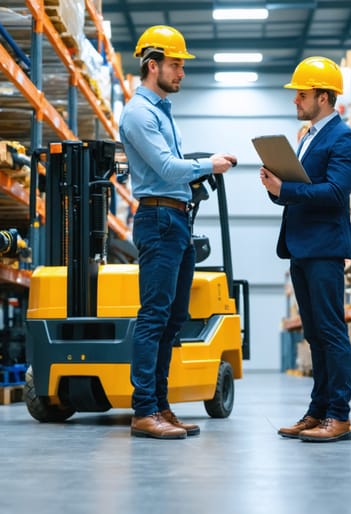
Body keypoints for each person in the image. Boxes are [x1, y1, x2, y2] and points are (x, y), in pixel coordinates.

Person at [119, 25, 237, 439]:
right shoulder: (139, 114)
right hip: (157, 220)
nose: (182, 72)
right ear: (153, 66)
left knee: (174, 318)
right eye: (175, 64)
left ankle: (162, 406)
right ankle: (143, 410)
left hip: (177, 220)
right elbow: (167, 168)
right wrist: (210, 165)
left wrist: (198, 173)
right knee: (153, 316)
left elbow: (171, 167)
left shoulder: (163, 112)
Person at [259, 56, 351, 442]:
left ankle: (339, 415)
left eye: (301, 95)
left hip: (324, 248)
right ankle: (317, 411)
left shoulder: (344, 138)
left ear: (323, 96)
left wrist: (285, 190)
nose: (295, 101)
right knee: (315, 334)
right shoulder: (307, 137)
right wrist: (276, 187)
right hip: (302, 247)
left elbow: (336, 193)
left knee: (331, 332)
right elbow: (296, 195)